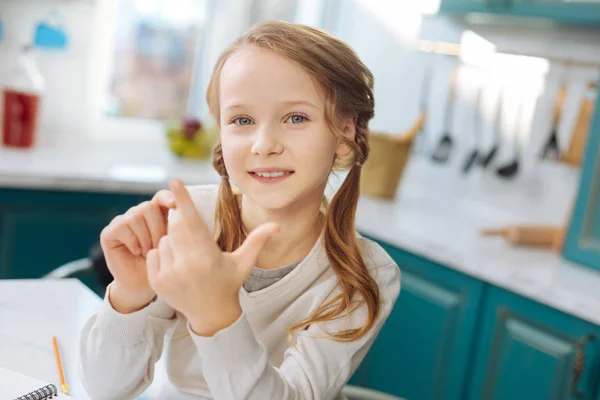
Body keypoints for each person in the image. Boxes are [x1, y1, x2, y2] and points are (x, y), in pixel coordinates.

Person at [79, 20, 401, 400]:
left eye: (296, 117)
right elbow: (105, 389)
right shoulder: (188, 222)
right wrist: (129, 294)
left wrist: (218, 316)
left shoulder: (363, 274)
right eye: (242, 120)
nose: (264, 144)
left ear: (345, 136)